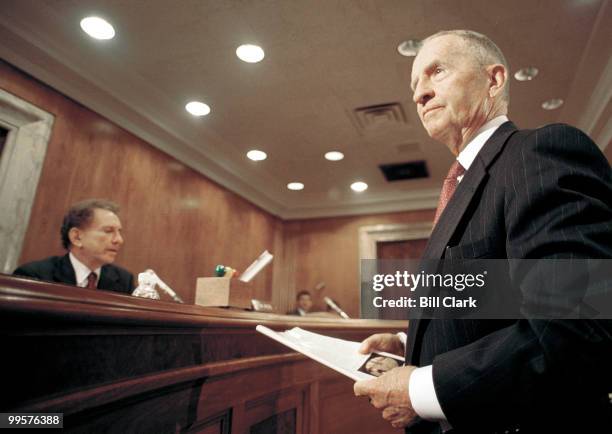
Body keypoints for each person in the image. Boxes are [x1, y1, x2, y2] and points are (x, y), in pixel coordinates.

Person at [353, 30, 612, 433]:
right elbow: (498, 309)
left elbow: (574, 326)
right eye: (414, 84)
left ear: (494, 80)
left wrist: (421, 388)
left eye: (436, 71)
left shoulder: (541, 153)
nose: (420, 94)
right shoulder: (462, 186)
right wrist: (410, 348)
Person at [14, 199, 134, 294]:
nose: (119, 240)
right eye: (108, 231)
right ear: (76, 237)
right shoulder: (34, 276)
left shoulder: (124, 280)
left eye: (119, 232)